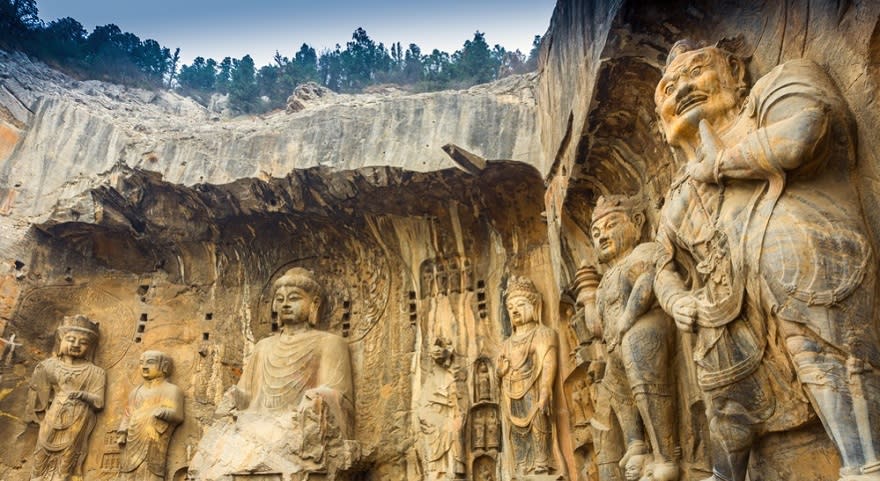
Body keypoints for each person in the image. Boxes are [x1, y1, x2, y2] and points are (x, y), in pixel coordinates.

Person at [653, 38, 880, 481]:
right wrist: (677, 299)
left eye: (696, 72)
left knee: (796, 275)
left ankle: (865, 464)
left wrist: (721, 163)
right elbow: (664, 263)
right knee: (725, 407)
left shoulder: (776, 88)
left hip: (806, 278)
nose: (682, 89)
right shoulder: (678, 194)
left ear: (736, 73)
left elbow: (804, 134)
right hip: (728, 317)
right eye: (669, 88)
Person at [188, 267, 356, 480]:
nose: (285, 304)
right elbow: (245, 392)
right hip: (257, 422)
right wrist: (233, 398)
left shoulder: (330, 343)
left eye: (294, 298)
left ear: (314, 304)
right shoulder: (263, 347)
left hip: (295, 424)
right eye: (279, 298)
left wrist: (317, 398)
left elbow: (337, 393)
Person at [580, 195, 679, 481]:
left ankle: (665, 452)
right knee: (612, 384)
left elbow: (647, 282)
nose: (603, 237)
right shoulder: (606, 278)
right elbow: (598, 328)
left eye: (611, 226)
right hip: (616, 346)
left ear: (636, 223)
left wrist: (627, 320)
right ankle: (635, 441)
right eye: (596, 233)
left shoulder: (642, 253)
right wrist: (588, 298)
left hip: (647, 330)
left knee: (636, 350)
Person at [28, 315, 106, 481]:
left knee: (68, 458)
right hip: (52, 416)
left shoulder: (96, 372)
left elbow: (99, 402)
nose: (76, 345)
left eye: (83, 342)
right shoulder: (48, 366)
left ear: (90, 347)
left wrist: (83, 395)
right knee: (40, 455)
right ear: (61, 340)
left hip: (78, 419)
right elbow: (37, 399)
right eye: (71, 339)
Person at [496, 276, 558, 475]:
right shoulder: (507, 343)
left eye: (520, 305)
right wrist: (501, 371)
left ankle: (542, 460)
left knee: (539, 421)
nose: (514, 311)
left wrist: (546, 388)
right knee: (516, 430)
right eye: (511, 307)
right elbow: (499, 370)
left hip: (533, 385)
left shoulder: (543, 333)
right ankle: (522, 463)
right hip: (511, 388)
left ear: (535, 306)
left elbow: (548, 361)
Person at [116, 351, 184, 481]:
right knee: (126, 473)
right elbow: (127, 414)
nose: (144, 366)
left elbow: (178, 415)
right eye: (142, 363)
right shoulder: (135, 392)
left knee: (149, 473)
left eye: (150, 362)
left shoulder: (172, 390)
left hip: (154, 441)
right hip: (132, 441)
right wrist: (122, 431)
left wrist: (160, 412)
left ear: (164, 366)